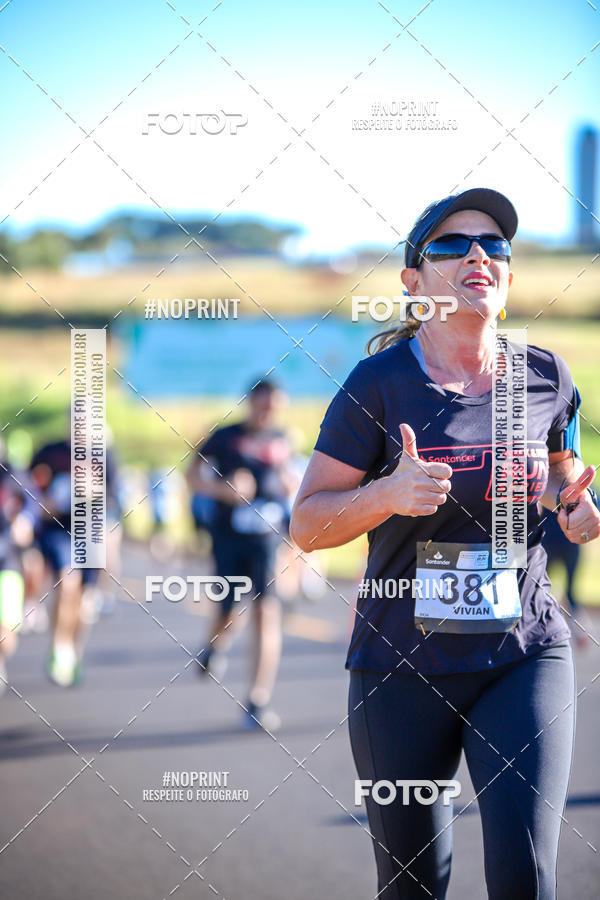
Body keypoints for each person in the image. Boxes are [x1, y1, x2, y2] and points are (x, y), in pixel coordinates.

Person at [290, 188, 600, 899]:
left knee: (526, 874)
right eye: (453, 245)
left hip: (522, 651)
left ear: (509, 275)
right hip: (402, 664)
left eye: (494, 246)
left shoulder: (544, 376)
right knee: (414, 883)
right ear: (413, 281)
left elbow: (562, 474)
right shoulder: (380, 385)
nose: (478, 256)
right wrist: (386, 494)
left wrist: (577, 506)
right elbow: (306, 524)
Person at [188, 379, 294, 731]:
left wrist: (289, 488)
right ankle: (214, 647)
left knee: (267, 610)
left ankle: (257, 700)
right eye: (262, 406)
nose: (267, 413)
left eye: (274, 407)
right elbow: (191, 476)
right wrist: (223, 489)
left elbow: (289, 481)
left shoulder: (282, 439)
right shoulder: (224, 436)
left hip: (267, 538)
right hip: (229, 537)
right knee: (230, 612)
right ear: (250, 402)